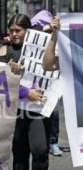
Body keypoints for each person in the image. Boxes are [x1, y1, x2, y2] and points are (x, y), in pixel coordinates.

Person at [0, 14, 50, 170]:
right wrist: (26, 92)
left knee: (40, 150)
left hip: (39, 110)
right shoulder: (5, 51)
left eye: (18, 30)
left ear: (29, 31)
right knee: (20, 151)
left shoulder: (42, 50)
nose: (14, 34)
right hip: (16, 110)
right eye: (11, 30)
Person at [31, 10, 63, 156]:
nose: (37, 28)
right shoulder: (33, 37)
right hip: (35, 81)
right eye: (35, 26)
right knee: (35, 113)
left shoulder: (57, 38)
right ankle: (38, 141)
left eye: (40, 25)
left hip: (53, 80)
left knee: (54, 113)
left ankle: (53, 142)